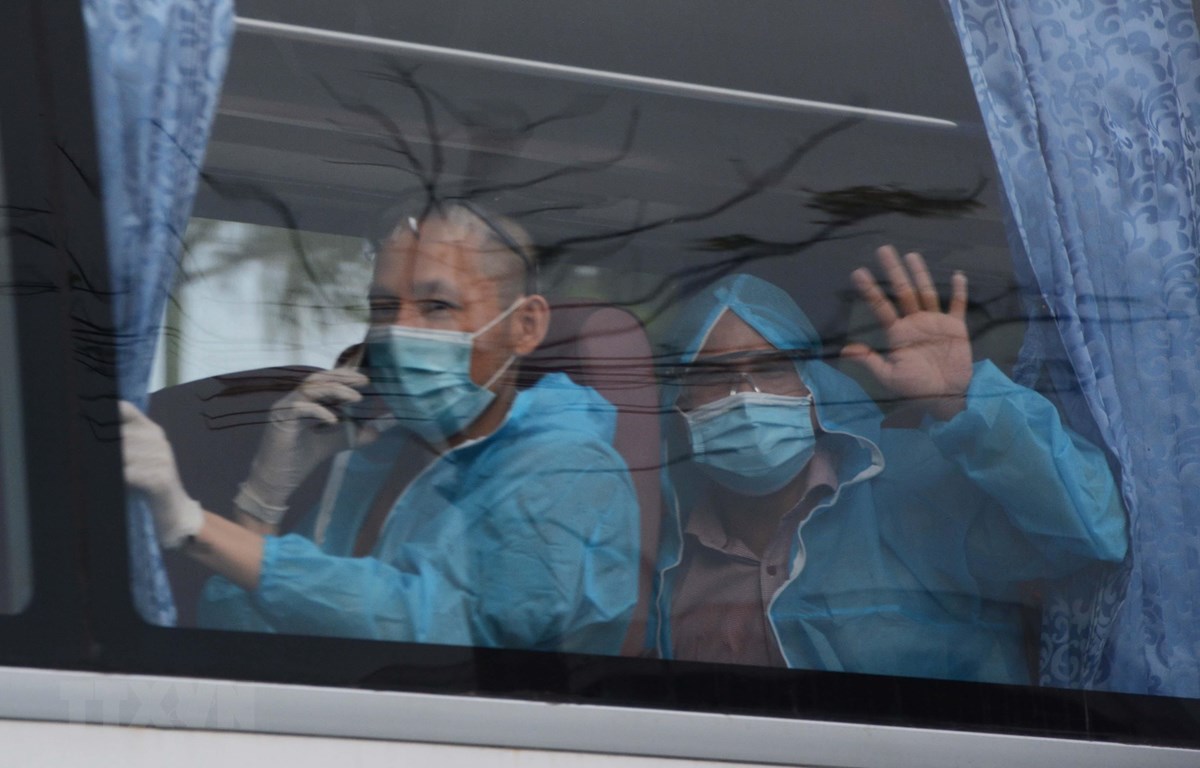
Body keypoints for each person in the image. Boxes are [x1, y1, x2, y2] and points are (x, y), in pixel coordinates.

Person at [120, 203, 639, 654]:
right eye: (384, 307)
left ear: (525, 326)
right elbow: (242, 629)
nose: (398, 330)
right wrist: (264, 499)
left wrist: (190, 523)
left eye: (437, 307)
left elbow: (439, 632)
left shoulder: (569, 468)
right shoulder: (375, 459)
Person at [652, 247, 1128, 683]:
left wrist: (964, 402)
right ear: (678, 403)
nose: (745, 397)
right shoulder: (658, 543)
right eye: (713, 375)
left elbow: (1090, 529)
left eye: (771, 369)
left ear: (814, 390)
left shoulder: (914, 485)